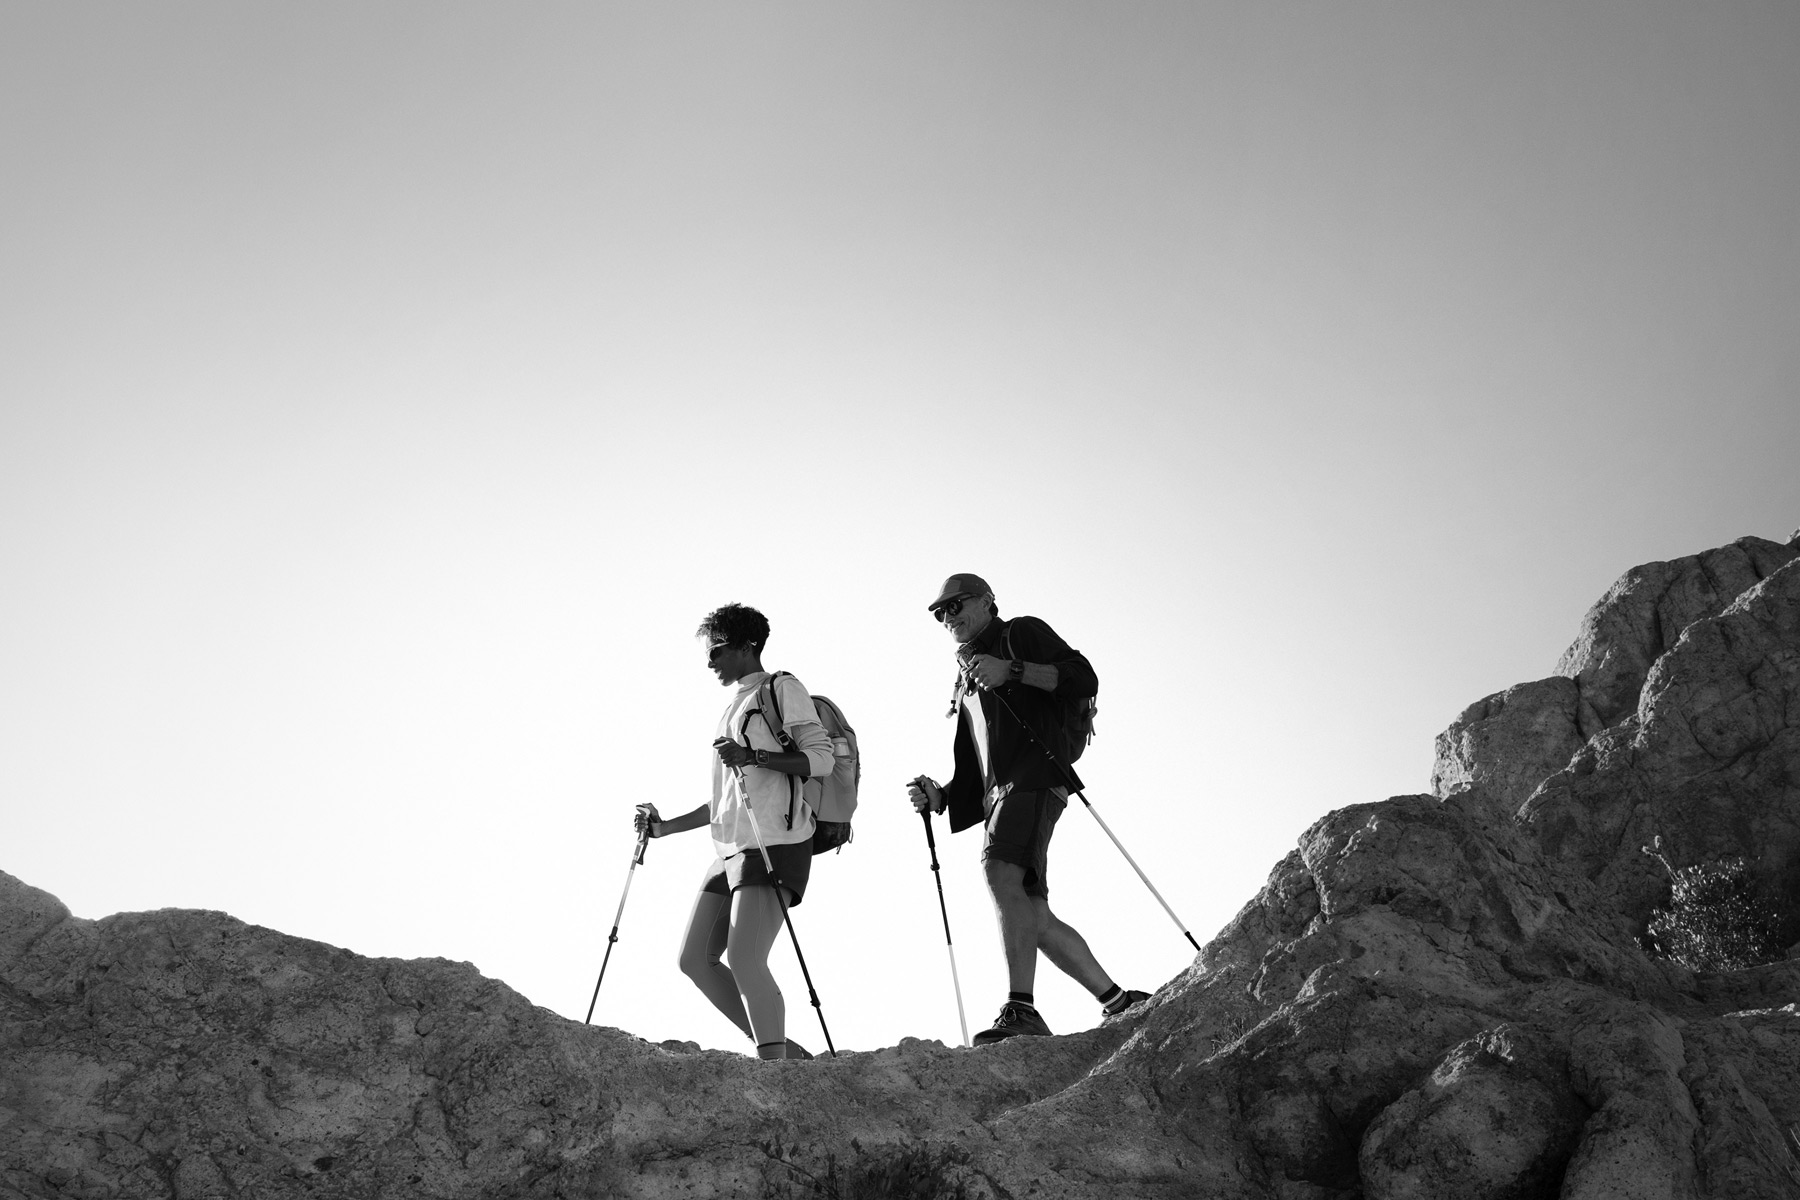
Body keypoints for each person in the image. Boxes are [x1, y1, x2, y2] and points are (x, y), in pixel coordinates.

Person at [908, 574, 1148, 1045]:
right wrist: (943, 797)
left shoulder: (1021, 632)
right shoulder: (964, 678)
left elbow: (1083, 676)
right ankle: (1119, 1001)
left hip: (1036, 778)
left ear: (986, 602)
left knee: (999, 872)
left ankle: (1022, 1009)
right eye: (940, 613)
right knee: (1031, 911)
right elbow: (983, 764)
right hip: (1005, 792)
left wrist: (1012, 670)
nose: (947, 617)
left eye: (955, 606)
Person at [635, 603, 835, 1061]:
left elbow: (820, 759)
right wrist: (664, 829)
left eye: (718, 651)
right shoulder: (733, 707)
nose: (710, 662)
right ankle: (785, 1052)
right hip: (729, 850)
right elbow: (724, 799)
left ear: (748, 647)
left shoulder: (782, 688)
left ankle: (777, 1067)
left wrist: (754, 757)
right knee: (693, 961)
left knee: (746, 960)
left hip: (775, 845)